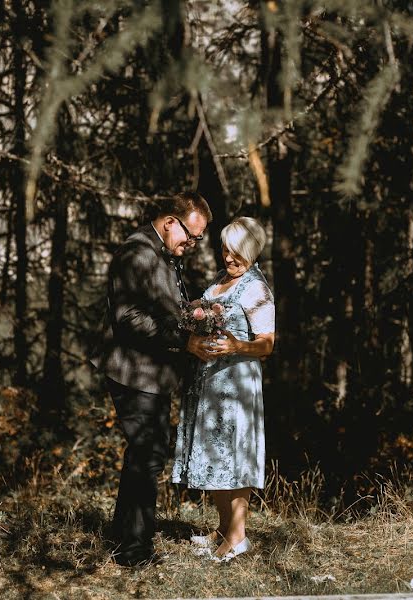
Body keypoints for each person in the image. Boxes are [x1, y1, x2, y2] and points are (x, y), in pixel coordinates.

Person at [96, 191, 214, 567]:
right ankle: (134, 553)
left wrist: (195, 313)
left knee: (147, 455)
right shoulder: (138, 253)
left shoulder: (163, 253)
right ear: (169, 223)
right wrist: (185, 339)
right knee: (147, 456)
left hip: (153, 374)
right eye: (190, 236)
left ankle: (126, 539)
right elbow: (129, 318)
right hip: (134, 373)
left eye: (197, 239)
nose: (192, 245)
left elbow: (162, 308)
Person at [171, 216, 276, 562]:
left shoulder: (256, 287)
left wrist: (236, 347)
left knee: (234, 456)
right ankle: (222, 527)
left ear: (251, 252)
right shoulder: (220, 280)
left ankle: (237, 536)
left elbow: (266, 344)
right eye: (225, 252)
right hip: (209, 382)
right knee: (216, 456)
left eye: (236, 254)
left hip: (236, 385)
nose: (228, 259)